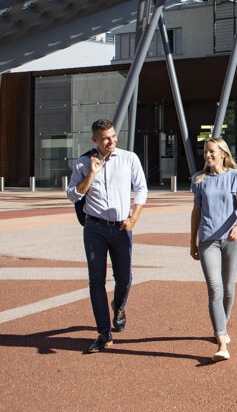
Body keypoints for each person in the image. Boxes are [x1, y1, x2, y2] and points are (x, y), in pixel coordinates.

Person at [67, 118, 147, 354]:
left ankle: (119, 307)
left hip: (122, 227)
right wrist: (91, 174)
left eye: (113, 136)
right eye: (105, 138)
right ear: (95, 140)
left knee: (124, 278)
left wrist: (134, 217)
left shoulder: (129, 158)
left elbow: (141, 188)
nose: (111, 141)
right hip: (95, 228)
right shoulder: (83, 163)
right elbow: (72, 195)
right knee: (96, 281)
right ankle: (103, 332)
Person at [189, 138, 237, 362]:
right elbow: (196, 212)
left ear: (223, 153)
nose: (207, 155)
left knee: (228, 288)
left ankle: (222, 323)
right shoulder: (200, 179)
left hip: (232, 240)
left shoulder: (234, 176)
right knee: (214, 288)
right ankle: (221, 340)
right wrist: (192, 241)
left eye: (211, 151)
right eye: (205, 152)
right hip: (208, 240)